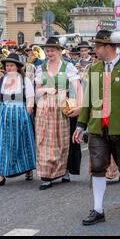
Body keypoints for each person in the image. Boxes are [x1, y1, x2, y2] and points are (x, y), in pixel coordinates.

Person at [73, 30, 120, 226]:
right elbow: (88, 99)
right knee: (97, 167)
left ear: (108, 47)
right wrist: (80, 124)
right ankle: (98, 209)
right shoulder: (95, 69)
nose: (94, 50)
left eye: (97, 46)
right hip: (98, 127)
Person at [34, 37, 82, 190]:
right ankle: (46, 174)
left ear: (60, 51)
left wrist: (80, 106)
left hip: (62, 106)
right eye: (47, 50)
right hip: (45, 107)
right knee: (44, 141)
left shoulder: (67, 67)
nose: (49, 53)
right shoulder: (41, 68)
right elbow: (37, 90)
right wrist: (46, 90)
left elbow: (78, 88)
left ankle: (64, 170)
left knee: (62, 140)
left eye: (52, 50)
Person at [0, 53, 36, 187]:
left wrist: (26, 116)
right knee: (1, 143)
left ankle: (27, 169)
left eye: (11, 65)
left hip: (19, 112)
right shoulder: (0, 80)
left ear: (17, 67)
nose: (9, 68)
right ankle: (1, 174)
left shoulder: (24, 80)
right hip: (4, 113)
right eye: (7, 65)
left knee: (23, 142)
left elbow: (30, 100)